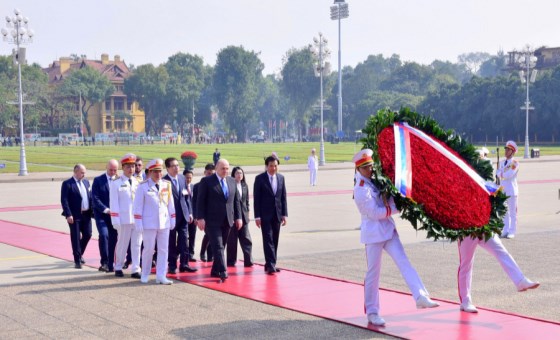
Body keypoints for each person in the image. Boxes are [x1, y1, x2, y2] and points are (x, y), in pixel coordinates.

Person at [352, 149, 439, 327]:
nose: (369, 170)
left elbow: (389, 198)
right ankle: (372, 312)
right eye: (365, 168)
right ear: (358, 169)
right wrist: (396, 209)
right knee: (373, 274)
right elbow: (374, 213)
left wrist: (396, 202)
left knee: (404, 262)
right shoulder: (360, 189)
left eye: (370, 166)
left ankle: (421, 296)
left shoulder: (376, 181)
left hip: (388, 231)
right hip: (374, 234)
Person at [457, 233, 540, 313]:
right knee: (466, 264)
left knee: (501, 251)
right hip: (466, 229)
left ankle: (520, 281)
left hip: (484, 227)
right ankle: (465, 300)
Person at [196, 159, 242, 281]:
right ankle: (222, 270)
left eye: (227, 168)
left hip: (228, 220)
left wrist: (239, 217)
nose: (225, 171)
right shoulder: (207, 181)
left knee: (222, 245)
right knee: (218, 246)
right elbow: (200, 201)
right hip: (211, 221)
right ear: (216, 168)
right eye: (223, 168)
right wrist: (200, 218)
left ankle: (215, 270)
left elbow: (236, 201)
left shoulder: (232, 181)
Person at [133, 159, 176, 285]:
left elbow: (170, 204)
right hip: (149, 223)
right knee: (149, 249)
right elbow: (138, 206)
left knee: (163, 249)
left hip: (164, 222)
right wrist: (138, 222)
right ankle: (145, 273)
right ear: (150, 172)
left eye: (160, 171)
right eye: (155, 171)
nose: (158, 174)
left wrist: (172, 218)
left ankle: (161, 275)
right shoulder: (143, 186)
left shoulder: (166, 184)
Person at [253, 155, 288, 275]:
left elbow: (283, 198)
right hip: (264, 215)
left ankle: (270, 263)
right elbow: (256, 199)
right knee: (268, 239)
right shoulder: (260, 179)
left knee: (275, 240)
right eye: (271, 166)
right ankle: (271, 264)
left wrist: (284, 214)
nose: (273, 168)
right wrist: (257, 216)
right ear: (266, 166)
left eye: (275, 166)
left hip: (277, 215)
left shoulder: (281, 178)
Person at [110, 153, 142, 279]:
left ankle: (135, 268)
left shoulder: (138, 182)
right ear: (123, 168)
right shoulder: (116, 183)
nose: (131, 169)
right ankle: (118, 266)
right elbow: (114, 203)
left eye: (133, 166)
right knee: (122, 244)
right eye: (128, 167)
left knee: (137, 244)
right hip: (123, 219)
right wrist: (115, 219)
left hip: (136, 219)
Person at [163, 157, 196, 273]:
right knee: (171, 242)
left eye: (178, 165)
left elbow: (186, 197)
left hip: (183, 216)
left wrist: (190, 212)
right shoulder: (164, 181)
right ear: (167, 168)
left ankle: (184, 264)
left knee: (184, 241)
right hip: (170, 217)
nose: (177, 168)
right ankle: (172, 265)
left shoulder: (182, 178)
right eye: (174, 166)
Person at [60, 164, 93, 269]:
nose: (84, 174)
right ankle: (77, 260)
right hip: (74, 215)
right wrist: (68, 214)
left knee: (88, 234)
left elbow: (89, 196)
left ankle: (79, 253)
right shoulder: (67, 184)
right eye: (82, 172)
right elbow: (64, 200)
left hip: (86, 214)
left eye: (84, 172)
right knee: (76, 238)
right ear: (76, 172)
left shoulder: (86, 182)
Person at [92, 159, 119, 272]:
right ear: (106, 168)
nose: (113, 172)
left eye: (115, 170)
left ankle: (111, 262)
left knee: (113, 238)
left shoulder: (119, 180)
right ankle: (104, 262)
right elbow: (95, 198)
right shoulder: (98, 180)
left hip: (115, 216)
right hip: (102, 215)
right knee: (104, 235)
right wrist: (106, 209)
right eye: (111, 170)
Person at [226, 166, 253, 267]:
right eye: (237, 173)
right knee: (232, 240)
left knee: (246, 239)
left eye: (241, 173)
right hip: (233, 217)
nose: (239, 175)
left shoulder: (244, 185)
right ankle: (231, 261)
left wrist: (248, 213)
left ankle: (248, 260)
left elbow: (246, 202)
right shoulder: (230, 185)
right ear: (233, 174)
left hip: (244, 217)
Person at [193, 163, 215, 262]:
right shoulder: (198, 186)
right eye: (208, 173)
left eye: (212, 174)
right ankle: (202, 252)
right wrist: (196, 216)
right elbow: (195, 202)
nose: (210, 175)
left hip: (214, 215)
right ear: (204, 172)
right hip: (203, 215)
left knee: (213, 235)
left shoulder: (216, 184)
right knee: (209, 234)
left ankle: (210, 255)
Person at [497, 140, 520, 239]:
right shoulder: (502, 162)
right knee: (504, 212)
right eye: (506, 149)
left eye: (508, 150)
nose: (506, 151)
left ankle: (512, 231)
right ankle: (505, 229)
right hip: (503, 190)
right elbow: (497, 173)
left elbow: (508, 175)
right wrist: (501, 174)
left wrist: (501, 174)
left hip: (511, 190)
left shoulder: (515, 163)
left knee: (512, 212)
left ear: (512, 151)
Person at [183, 169, 197, 262]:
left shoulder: (194, 187)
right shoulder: (182, 187)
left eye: (190, 177)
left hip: (194, 216)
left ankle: (191, 254)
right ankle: (183, 253)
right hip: (184, 216)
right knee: (184, 237)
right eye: (187, 177)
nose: (188, 179)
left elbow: (196, 202)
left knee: (192, 235)